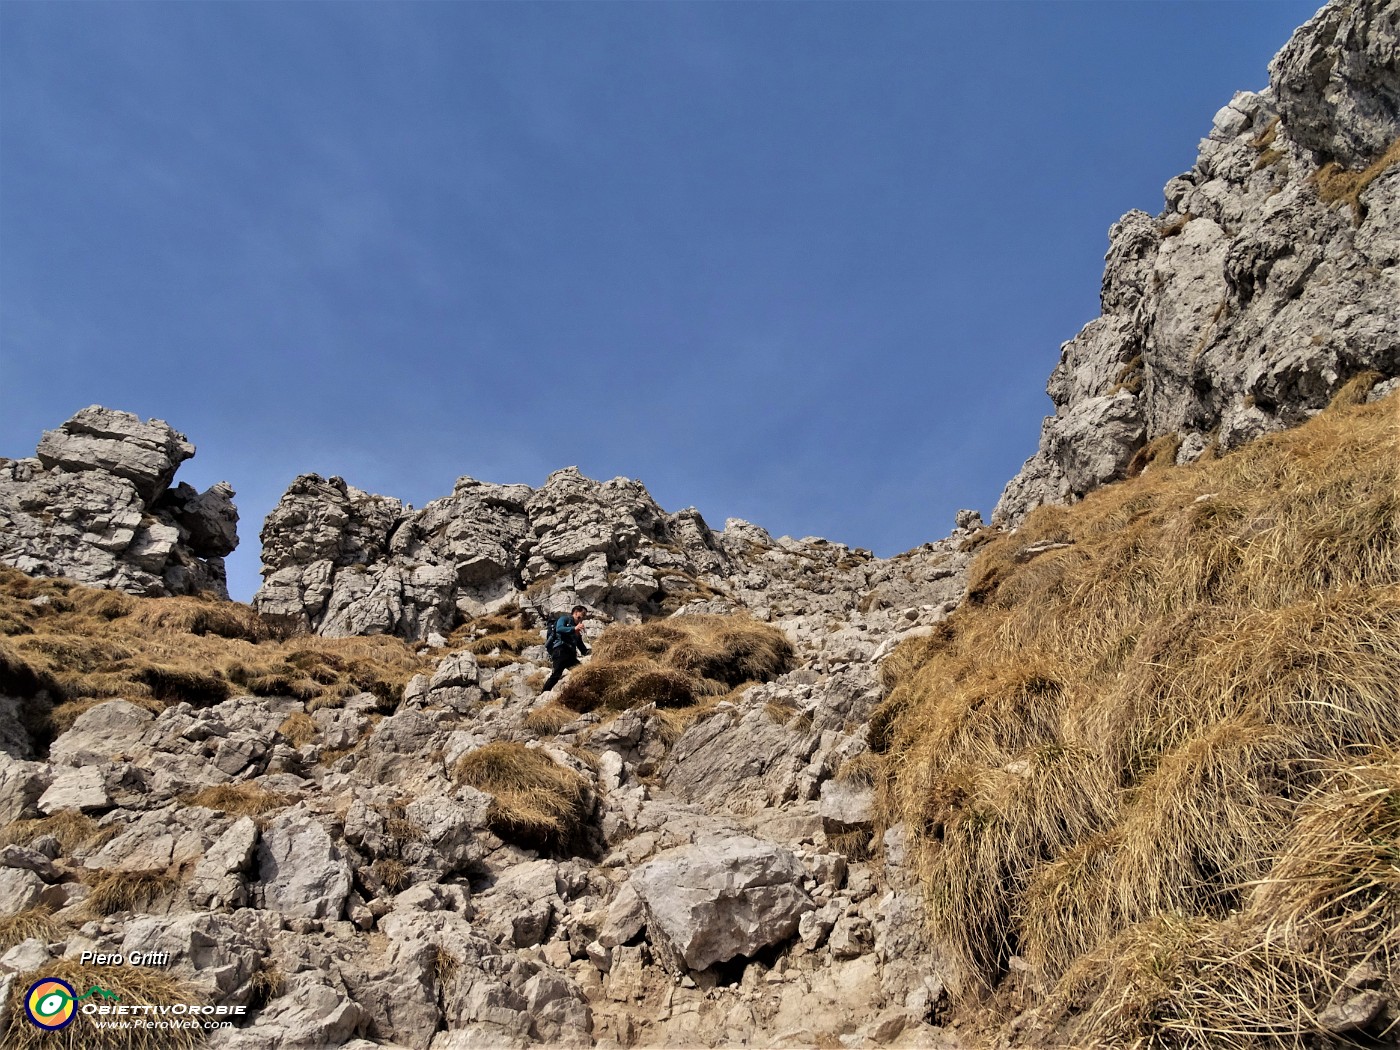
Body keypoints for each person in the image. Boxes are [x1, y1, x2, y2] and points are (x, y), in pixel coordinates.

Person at [543, 605, 589, 691]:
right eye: (582, 614)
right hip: (560, 651)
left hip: (571, 655)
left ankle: (580, 693)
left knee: (581, 671)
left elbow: (581, 647)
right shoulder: (565, 619)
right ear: (575, 613)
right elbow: (559, 629)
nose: (583, 617)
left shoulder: (576, 629)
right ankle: (543, 694)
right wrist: (574, 628)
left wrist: (593, 652)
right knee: (556, 675)